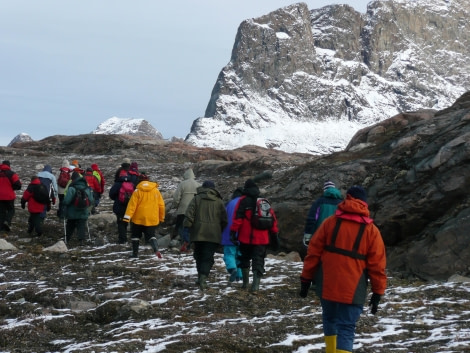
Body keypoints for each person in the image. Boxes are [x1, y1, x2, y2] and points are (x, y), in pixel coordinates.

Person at [299, 186, 387, 353]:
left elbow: (313, 253)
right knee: (347, 328)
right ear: (364, 203)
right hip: (354, 287)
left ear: (347, 198)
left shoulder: (329, 223)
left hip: (327, 283)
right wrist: (378, 292)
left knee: (329, 318)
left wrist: (306, 279)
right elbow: (378, 265)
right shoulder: (372, 231)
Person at [229, 179, 279, 292]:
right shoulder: (264, 202)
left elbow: (238, 219)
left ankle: (245, 284)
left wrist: (233, 232)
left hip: (245, 237)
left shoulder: (243, 201)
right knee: (259, 260)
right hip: (262, 238)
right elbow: (273, 219)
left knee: (244, 259)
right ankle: (255, 286)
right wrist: (274, 234)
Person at [183, 180, 227, 290]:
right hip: (213, 233)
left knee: (199, 255)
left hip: (198, 232)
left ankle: (200, 277)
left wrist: (187, 228)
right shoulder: (219, 201)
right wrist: (220, 229)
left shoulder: (196, 199)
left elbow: (189, 215)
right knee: (208, 256)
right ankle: (203, 278)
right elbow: (224, 219)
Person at [123, 175, 166, 259]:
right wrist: (161, 218)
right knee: (151, 236)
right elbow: (161, 205)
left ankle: (135, 254)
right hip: (152, 218)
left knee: (135, 236)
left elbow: (132, 206)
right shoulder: (156, 191)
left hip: (138, 218)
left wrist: (127, 218)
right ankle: (156, 250)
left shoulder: (137, 191)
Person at [303, 180, 343, 246]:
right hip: (337, 235)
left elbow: (312, 219)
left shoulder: (319, 202)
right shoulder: (342, 203)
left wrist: (308, 234)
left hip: (320, 234)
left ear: (325, 190)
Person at [62, 172, 94, 245]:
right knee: (81, 225)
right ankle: (81, 240)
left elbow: (67, 201)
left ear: (73, 179)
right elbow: (91, 200)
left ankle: (67, 239)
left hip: (72, 212)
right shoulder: (87, 188)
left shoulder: (72, 188)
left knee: (70, 225)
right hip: (83, 210)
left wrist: (64, 204)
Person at [173, 168, 201, 246]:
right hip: (194, 210)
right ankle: (192, 243)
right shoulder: (198, 185)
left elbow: (176, 198)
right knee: (192, 227)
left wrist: (176, 206)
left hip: (183, 209)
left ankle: (184, 242)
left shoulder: (182, 184)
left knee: (181, 226)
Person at [221, 187, 244, 282]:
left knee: (229, 254)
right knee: (240, 255)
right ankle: (240, 275)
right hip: (243, 233)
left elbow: (223, 217)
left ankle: (232, 269)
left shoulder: (229, 203)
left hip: (229, 233)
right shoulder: (245, 203)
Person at [109, 170, 135, 244]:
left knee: (121, 223)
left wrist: (117, 198)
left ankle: (122, 239)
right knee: (126, 221)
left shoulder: (117, 184)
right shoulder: (131, 183)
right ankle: (130, 237)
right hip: (129, 206)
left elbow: (111, 194)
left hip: (119, 206)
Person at [0, 160, 22, 232]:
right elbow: (18, 184)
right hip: (9, 196)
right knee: (11, 210)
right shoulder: (12, 174)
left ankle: (1, 227)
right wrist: (12, 188)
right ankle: (7, 221)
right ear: (9, 166)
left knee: (2, 211)